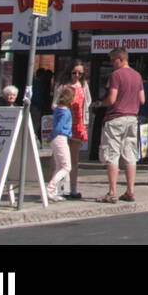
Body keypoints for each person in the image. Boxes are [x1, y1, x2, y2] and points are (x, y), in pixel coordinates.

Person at [95, 48, 144, 203]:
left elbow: (111, 99)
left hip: (116, 118)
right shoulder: (137, 75)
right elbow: (142, 100)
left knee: (112, 154)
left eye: (112, 59)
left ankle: (112, 192)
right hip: (132, 118)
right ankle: (130, 191)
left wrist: (100, 104)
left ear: (120, 58)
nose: (111, 63)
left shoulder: (116, 75)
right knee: (130, 155)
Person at [61, 62, 91, 199]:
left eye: (80, 73)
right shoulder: (63, 86)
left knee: (74, 158)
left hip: (77, 124)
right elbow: (55, 103)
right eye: (74, 73)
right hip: (64, 123)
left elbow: (87, 103)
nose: (77, 76)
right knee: (62, 158)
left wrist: (85, 121)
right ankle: (61, 187)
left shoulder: (83, 86)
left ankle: (73, 188)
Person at [46, 86, 74, 201]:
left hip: (56, 138)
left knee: (58, 166)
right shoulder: (66, 112)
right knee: (67, 167)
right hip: (61, 137)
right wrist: (52, 136)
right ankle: (50, 187)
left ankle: (53, 192)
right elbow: (59, 127)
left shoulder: (58, 109)